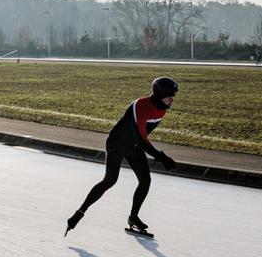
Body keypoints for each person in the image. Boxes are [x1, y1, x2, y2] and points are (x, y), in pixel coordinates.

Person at [65, 77, 180, 238]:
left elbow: (142, 138)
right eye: (170, 96)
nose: (172, 100)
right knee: (110, 180)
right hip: (116, 144)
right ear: (160, 95)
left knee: (145, 180)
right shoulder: (141, 106)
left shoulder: (161, 109)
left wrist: (159, 156)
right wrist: (161, 157)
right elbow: (141, 138)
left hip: (133, 147)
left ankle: (133, 217)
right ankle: (79, 212)